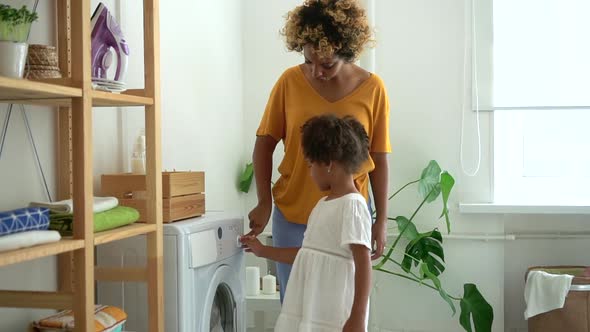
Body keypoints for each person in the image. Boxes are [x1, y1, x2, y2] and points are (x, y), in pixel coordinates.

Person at [248, 0, 391, 300]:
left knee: (342, 305)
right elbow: (264, 144)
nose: (316, 72)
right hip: (293, 213)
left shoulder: (373, 88)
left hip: (348, 217)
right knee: (296, 304)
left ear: (347, 51)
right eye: (309, 60)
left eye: (327, 64)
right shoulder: (289, 82)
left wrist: (380, 221)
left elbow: (378, 158)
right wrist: (263, 201)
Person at [242, 114, 373, 332]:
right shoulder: (323, 204)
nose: (310, 173)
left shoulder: (353, 206)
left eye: (311, 164)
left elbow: (363, 263)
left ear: (329, 164)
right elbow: (306, 254)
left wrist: (357, 316)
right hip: (311, 310)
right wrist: (262, 250)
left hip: (334, 316)